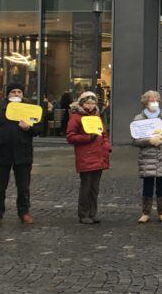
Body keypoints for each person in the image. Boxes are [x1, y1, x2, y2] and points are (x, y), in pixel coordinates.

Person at [0, 82, 43, 226]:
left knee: (23, 187)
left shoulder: (30, 109)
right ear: (8, 94)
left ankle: (24, 212)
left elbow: (39, 130)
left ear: (23, 94)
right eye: (13, 92)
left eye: (19, 92)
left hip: (23, 153)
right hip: (1, 152)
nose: (16, 94)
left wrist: (29, 128)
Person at [66, 91, 111, 224]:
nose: (90, 106)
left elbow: (103, 134)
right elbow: (70, 136)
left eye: (93, 103)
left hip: (99, 155)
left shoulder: (97, 115)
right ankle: (84, 214)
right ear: (82, 103)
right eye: (88, 103)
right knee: (86, 186)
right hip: (85, 155)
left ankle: (93, 213)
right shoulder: (76, 117)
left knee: (94, 188)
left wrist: (106, 146)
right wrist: (88, 138)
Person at [132, 90, 162, 223]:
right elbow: (134, 141)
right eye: (152, 100)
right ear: (145, 102)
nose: (154, 103)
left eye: (157, 100)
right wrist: (149, 141)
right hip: (147, 158)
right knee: (148, 186)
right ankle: (145, 213)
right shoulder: (138, 119)